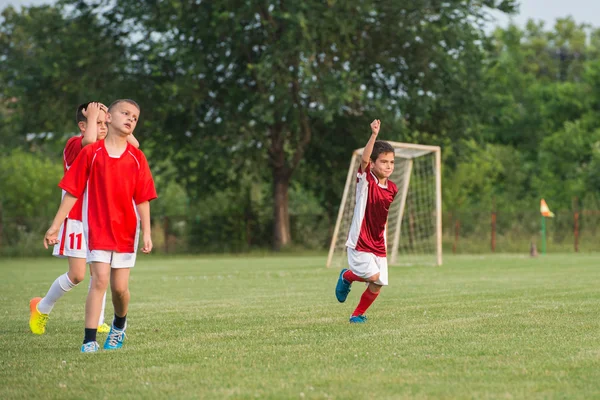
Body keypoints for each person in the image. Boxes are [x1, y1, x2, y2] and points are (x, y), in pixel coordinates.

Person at [43, 99, 156, 352]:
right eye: (125, 114)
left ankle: (119, 325)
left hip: (126, 231)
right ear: (108, 118)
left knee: (119, 289)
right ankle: (89, 340)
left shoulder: (137, 158)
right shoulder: (90, 153)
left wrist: (147, 232)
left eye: (135, 117)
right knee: (99, 281)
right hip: (97, 229)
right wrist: (54, 226)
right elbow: (72, 191)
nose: (130, 119)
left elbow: (143, 198)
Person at [335, 119, 398, 323]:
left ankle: (357, 315)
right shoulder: (366, 180)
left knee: (378, 283)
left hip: (378, 242)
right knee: (371, 277)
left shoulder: (393, 188)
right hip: (360, 240)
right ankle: (347, 276)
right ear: (373, 163)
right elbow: (363, 159)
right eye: (383, 161)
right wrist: (373, 135)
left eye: (391, 162)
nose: (388, 166)